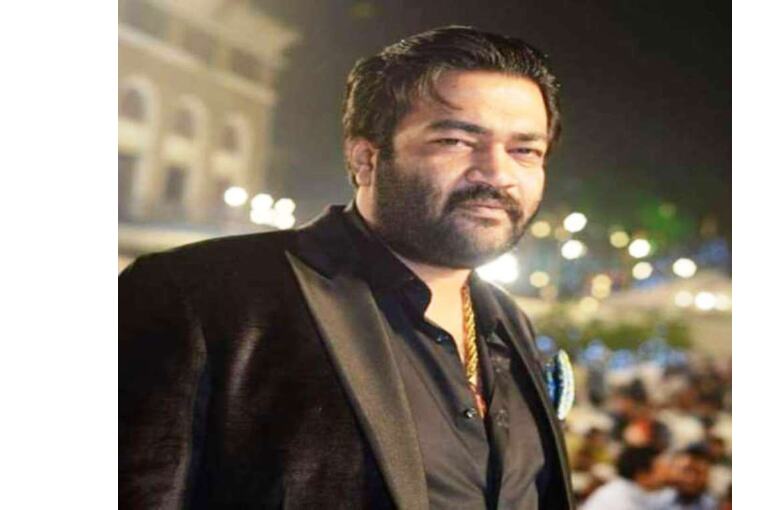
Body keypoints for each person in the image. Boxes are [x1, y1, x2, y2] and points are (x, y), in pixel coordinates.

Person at [120, 26, 574, 509]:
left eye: (525, 151)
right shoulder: (200, 298)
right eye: (456, 140)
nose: (498, 173)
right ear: (366, 158)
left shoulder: (509, 323)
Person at [580, 446, 666, 510]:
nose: (667, 473)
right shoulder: (619, 499)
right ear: (642, 475)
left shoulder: (629, 489)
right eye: (662, 469)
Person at [654, 444, 718, 510]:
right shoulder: (658, 502)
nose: (691, 479)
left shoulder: (712, 506)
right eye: (687, 471)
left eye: (698, 473)